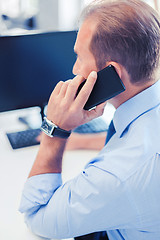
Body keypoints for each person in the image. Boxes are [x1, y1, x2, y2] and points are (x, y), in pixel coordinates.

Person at [19, 0, 160, 239]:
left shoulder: (120, 175)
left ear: (111, 73)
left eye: (79, 58)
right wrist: (80, 141)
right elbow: (134, 141)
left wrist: (56, 129)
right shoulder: (147, 114)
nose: (75, 69)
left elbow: (36, 217)